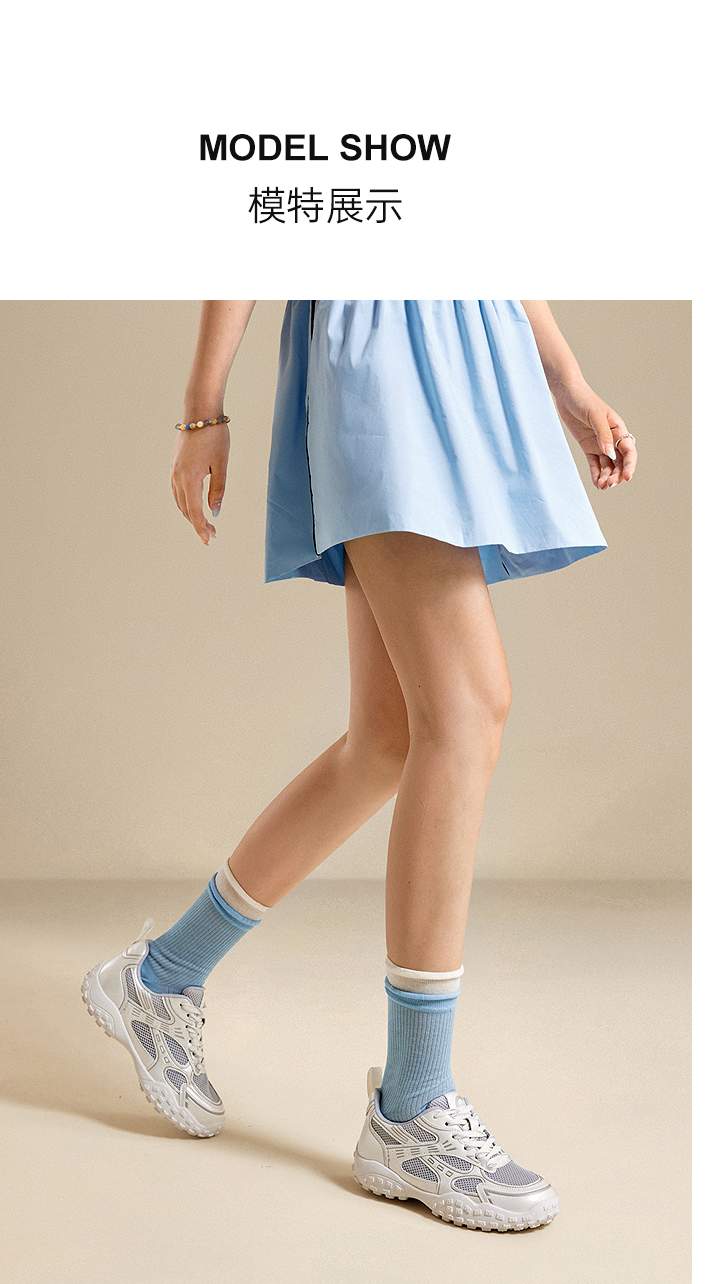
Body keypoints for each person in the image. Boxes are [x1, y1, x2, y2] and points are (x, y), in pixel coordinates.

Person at [82, 300, 637, 1233]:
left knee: (389, 737)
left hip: (464, 342)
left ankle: (163, 977)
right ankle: (413, 1107)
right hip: (385, 352)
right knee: (464, 714)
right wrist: (202, 409)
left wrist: (566, 380)